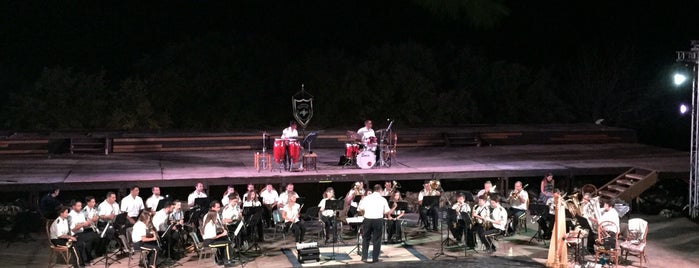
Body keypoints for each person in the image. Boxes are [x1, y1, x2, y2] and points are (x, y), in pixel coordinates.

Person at [357, 184, 394, 263]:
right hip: (378, 220)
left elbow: (360, 208)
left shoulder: (366, 198)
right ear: (380, 190)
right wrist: (393, 207)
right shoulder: (382, 199)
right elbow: (386, 211)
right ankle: (375, 258)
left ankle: (364, 257)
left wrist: (364, 214)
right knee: (377, 240)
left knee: (366, 239)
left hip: (367, 219)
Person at [202, 201, 234, 265]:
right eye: (218, 207)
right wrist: (222, 234)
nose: (219, 209)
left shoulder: (213, 216)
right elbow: (212, 236)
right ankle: (228, 261)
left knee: (225, 240)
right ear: (212, 208)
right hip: (209, 241)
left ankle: (221, 259)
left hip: (211, 239)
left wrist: (222, 228)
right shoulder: (210, 222)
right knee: (227, 243)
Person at [68, 200, 98, 265]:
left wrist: (89, 222)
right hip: (75, 234)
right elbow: (73, 229)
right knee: (88, 240)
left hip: (82, 232)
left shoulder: (81, 213)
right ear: (73, 207)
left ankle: (90, 256)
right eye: (78, 206)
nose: (80, 207)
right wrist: (82, 224)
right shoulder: (70, 215)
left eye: (81, 206)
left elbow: (84, 225)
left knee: (96, 237)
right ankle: (86, 259)